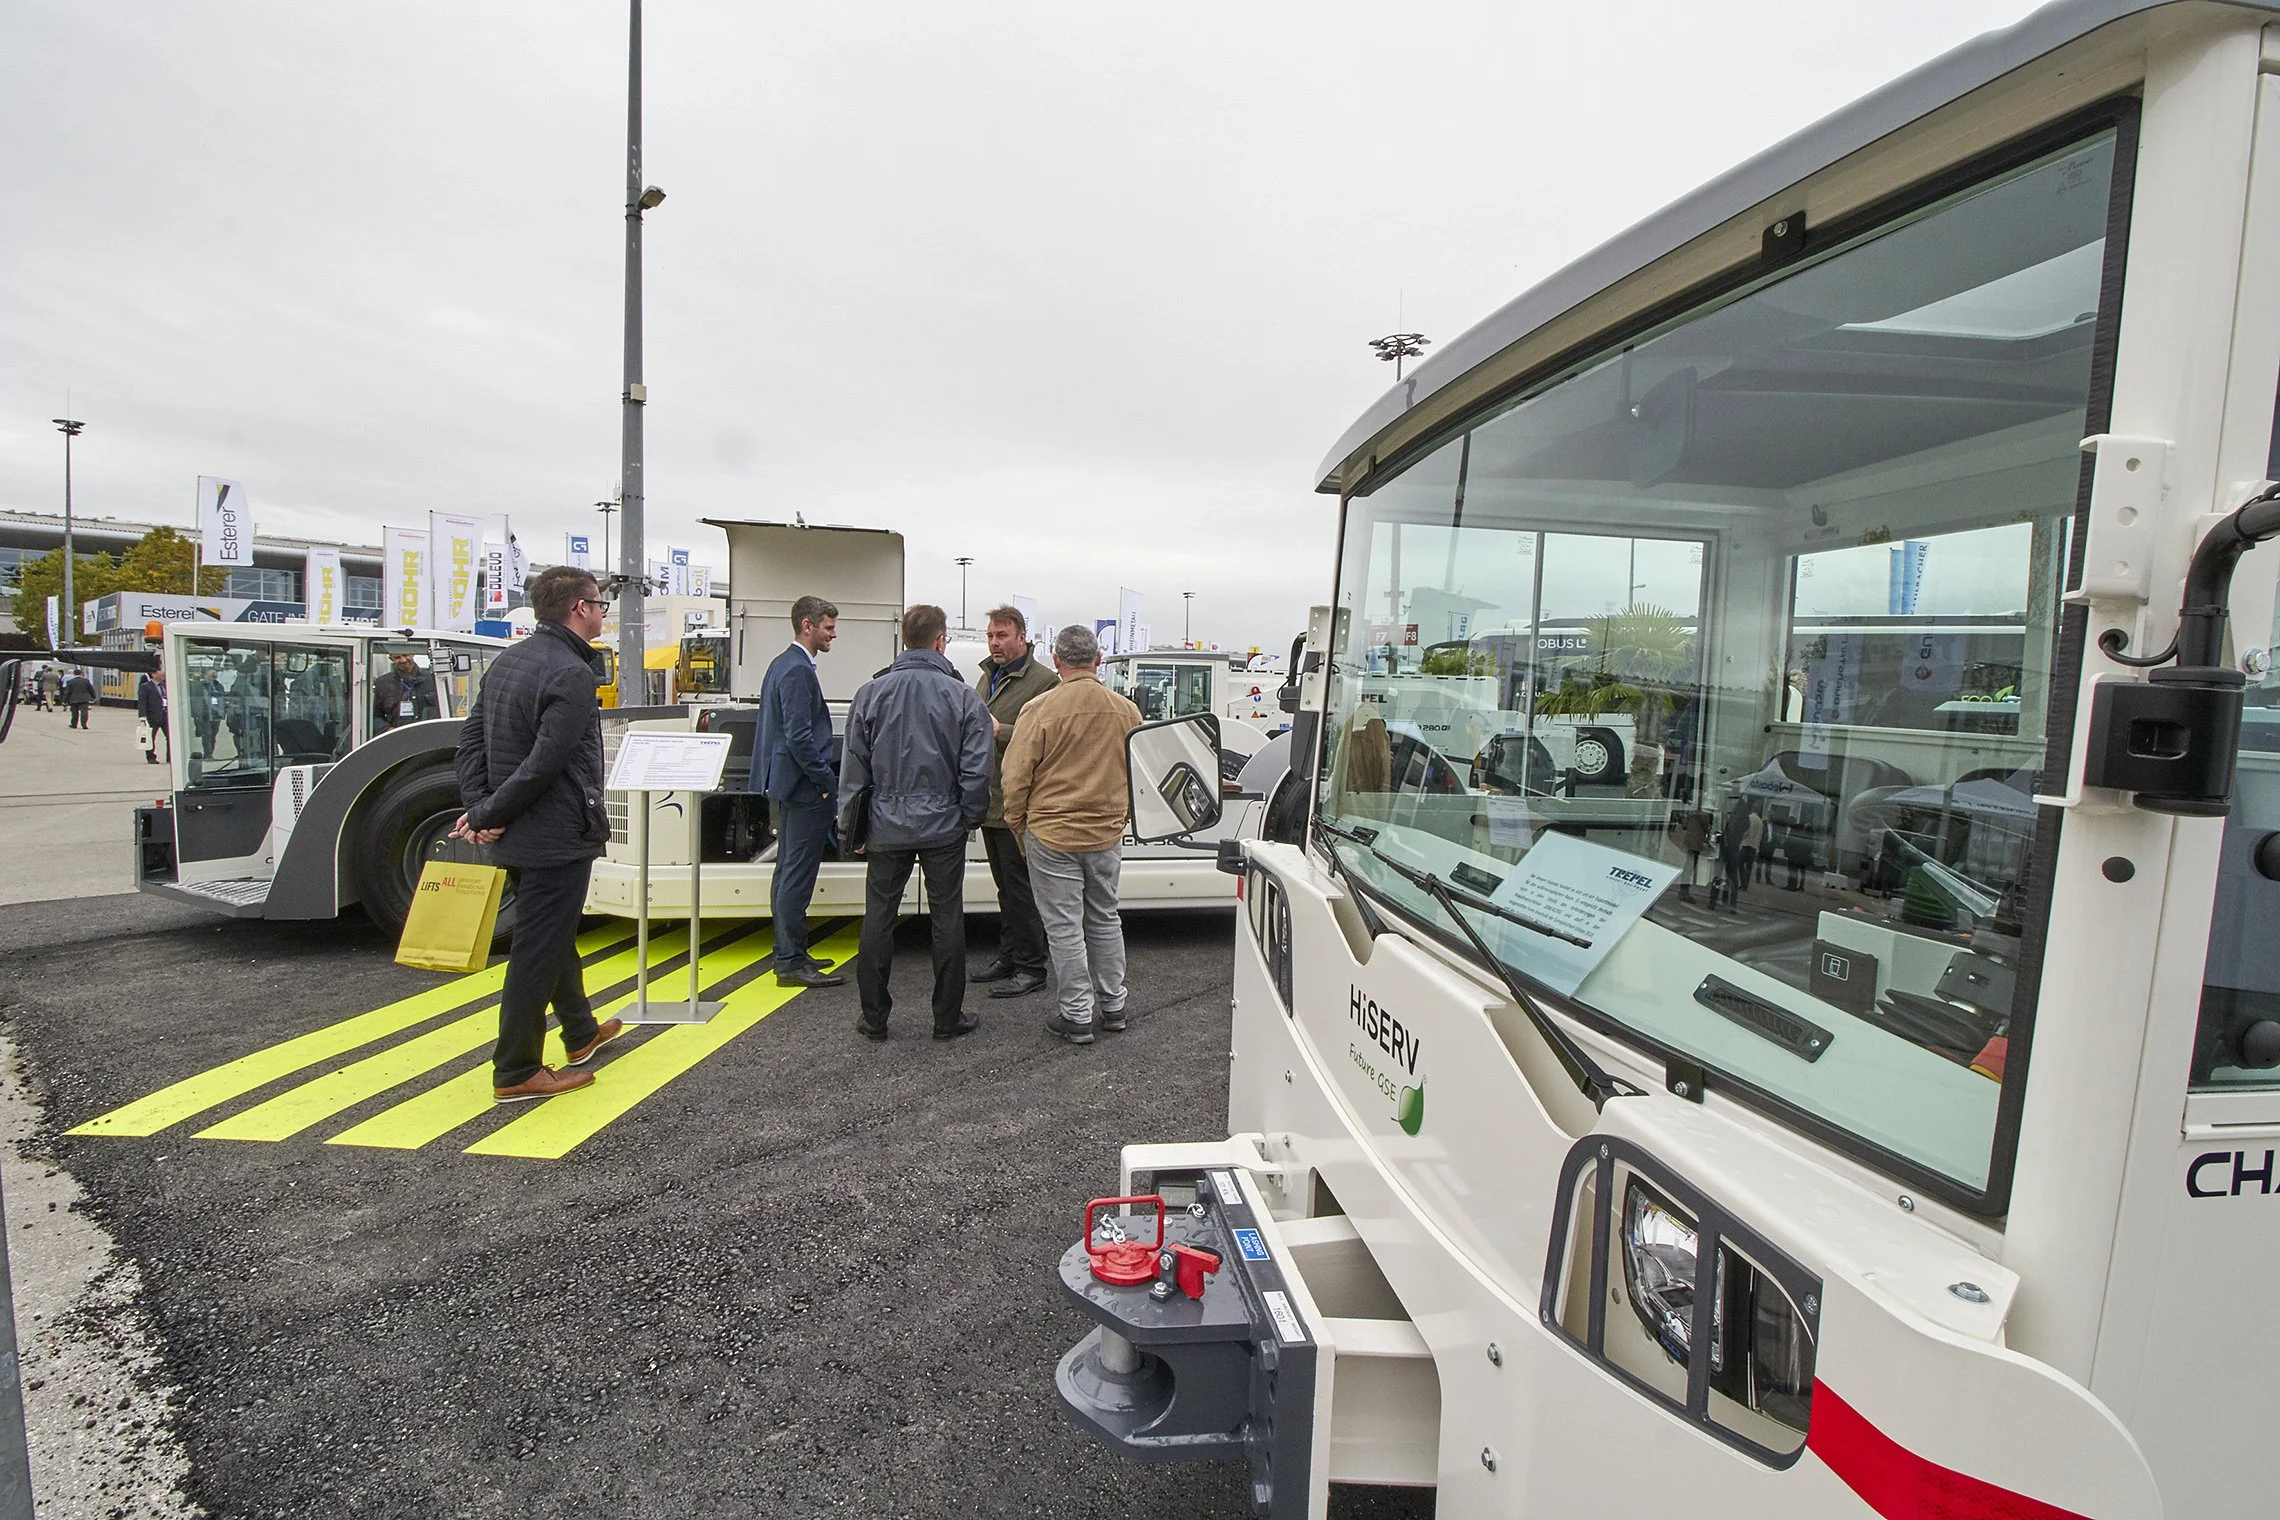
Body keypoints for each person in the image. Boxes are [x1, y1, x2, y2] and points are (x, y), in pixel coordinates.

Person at [452, 566, 625, 1103]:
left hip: (522, 831)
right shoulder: (571, 674)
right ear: (578, 608)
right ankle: (517, 1069)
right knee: (538, 949)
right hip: (556, 834)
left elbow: (471, 742)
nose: (603, 612)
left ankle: (579, 1032)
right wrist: (485, 814)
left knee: (551, 934)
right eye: (600, 604)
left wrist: (481, 807)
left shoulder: (509, 660)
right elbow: (545, 765)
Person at [839, 604, 994, 1041]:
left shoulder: (870, 694)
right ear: (941, 640)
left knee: (879, 917)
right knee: (947, 918)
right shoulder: (964, 697)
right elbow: (977, 768)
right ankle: (947, 1017)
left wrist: (853, 828)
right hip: (945, 823)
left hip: (886, 823)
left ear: (904, 640)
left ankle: (874, 1017)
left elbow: (853, 770)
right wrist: (969, 816)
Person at [1001, 624, 1143, 1046]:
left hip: (1053, 832)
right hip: (1105, 831)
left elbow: (1015, 776)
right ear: (1098, 660)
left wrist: (1017, 824)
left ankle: (1077, 1014)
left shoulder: (1039, 709)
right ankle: (1114, 1005)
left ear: (1057, 661)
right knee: (1104, 917)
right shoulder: (1127, 710)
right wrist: (1123, 817)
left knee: (1063, 928)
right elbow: (1139, 773)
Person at [751, 594, 846, 989]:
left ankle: (790, 952)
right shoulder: (797, 670)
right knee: (796, 874)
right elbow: (800, 736)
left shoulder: (783, 664)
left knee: (786, 869)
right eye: (828, 627)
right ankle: (790, 961)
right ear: (807, 626)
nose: (833, 635)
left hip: (789, 784)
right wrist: (828, 782)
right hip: (805, 788)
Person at [970, 605, 1059, 999]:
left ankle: (1030, 966)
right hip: (989, 798)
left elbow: (1048, 737)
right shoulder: (987, 677)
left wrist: (998, 731)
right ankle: (1010, 955)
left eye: (1002, 636)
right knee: (1004, 886)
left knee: (1022, 888)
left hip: (1017, 802)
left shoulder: (1044, 683)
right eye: (990, 636)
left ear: (1022, 637)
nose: (994, 643)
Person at [374, 651, 438, 730]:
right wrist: (387, 729)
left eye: (405, 655)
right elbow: (375, 716)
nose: (403, 660)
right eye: (397, 657)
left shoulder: (433, 679)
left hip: (429, 734)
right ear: (391, 659)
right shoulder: (383, 683)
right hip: (397, 738)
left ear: (413, 654)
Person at [136, 668, 169, 765]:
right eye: (161, 673)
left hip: (165, 715)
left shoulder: (165, 686)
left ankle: (170, 757)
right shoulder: (145, 687)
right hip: (152, 716)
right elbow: (142, 702)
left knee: (170, 737)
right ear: (154, 675)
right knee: (150, 737)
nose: (163, 674)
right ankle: (151, 757)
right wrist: (142, 716)